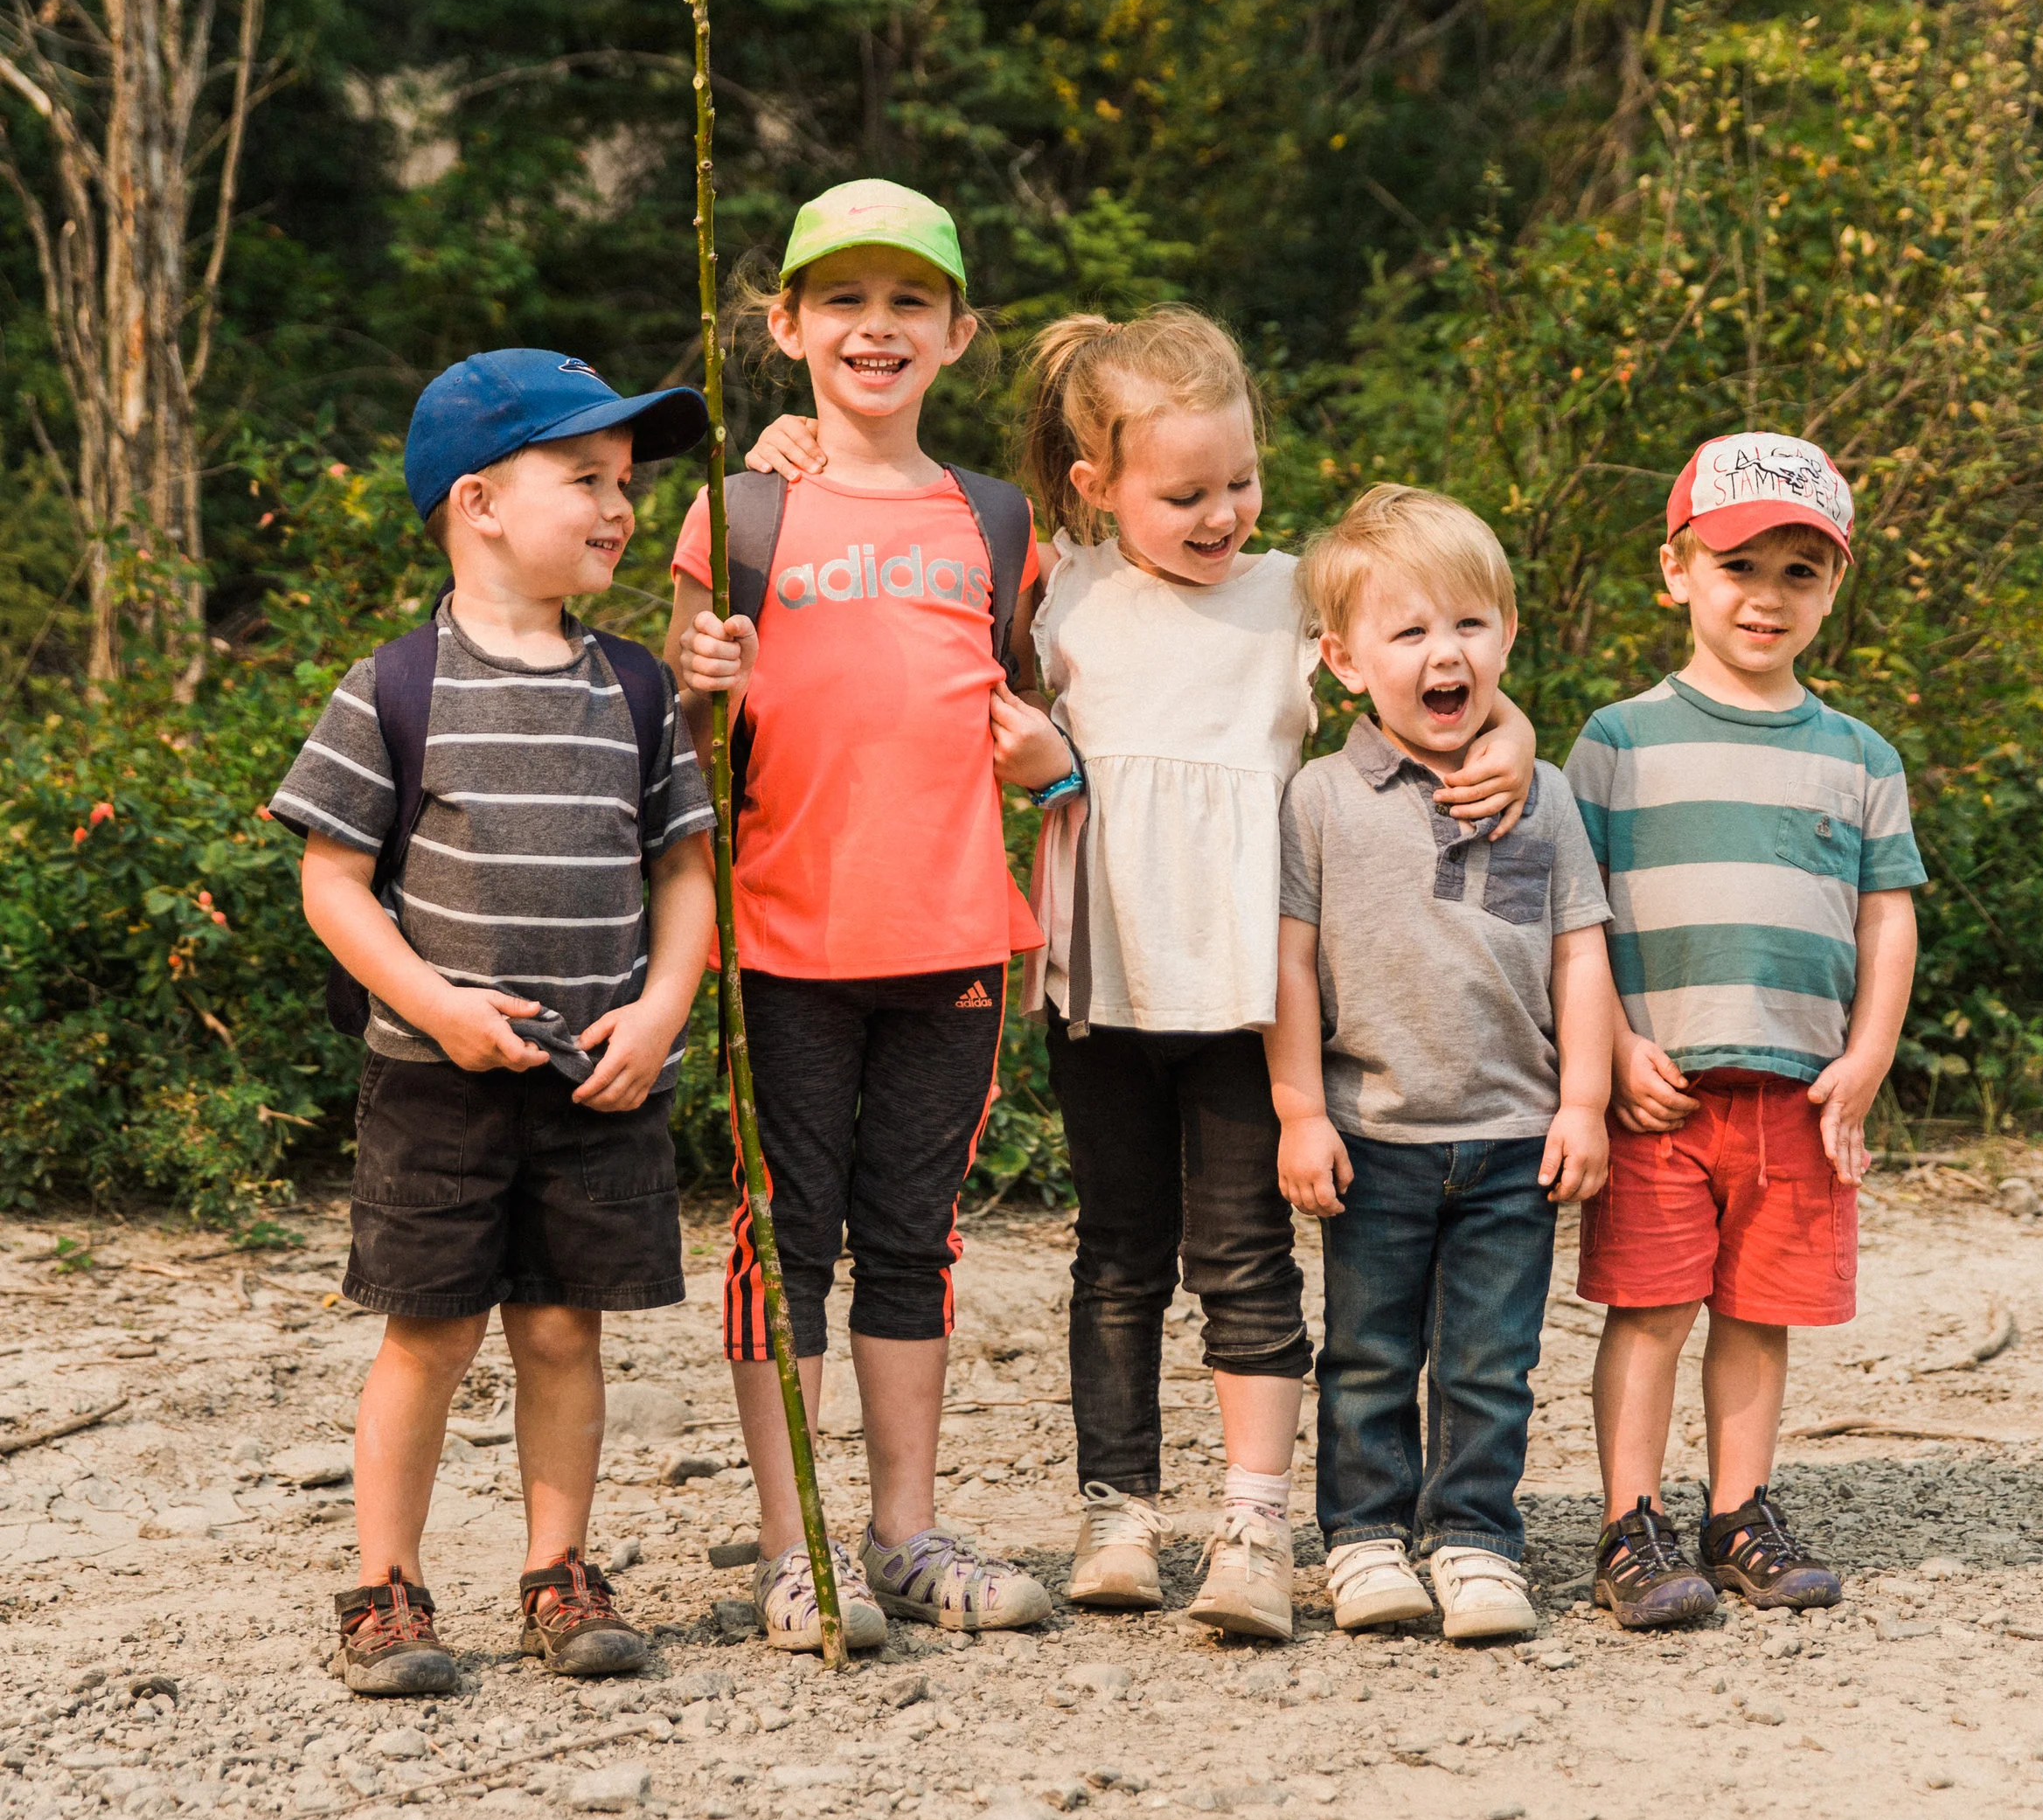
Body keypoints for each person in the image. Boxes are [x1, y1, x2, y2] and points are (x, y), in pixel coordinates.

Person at [1013, 316, 1539, 1643]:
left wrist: (1519, 732)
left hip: (1251, 990)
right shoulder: (1056, 587)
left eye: (1238, 481)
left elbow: (1429, 666)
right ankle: (1119, 1505)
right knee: (1119, 1257)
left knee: (1245, 1259)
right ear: (1096, 484)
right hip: (1105, 986)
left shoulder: (1293, 590)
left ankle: (1255, 1519)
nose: (1222, 513)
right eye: (1184, 494)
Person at [278, 348, 739, 1696]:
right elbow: (331, 880)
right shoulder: (396, 684)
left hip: (600, 1078)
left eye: (627, 483)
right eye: (586, 478)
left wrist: (663, 1010)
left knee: (560, 1327)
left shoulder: (639, 691)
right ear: (478, 500)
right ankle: (385, 1585)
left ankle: (559, 1572)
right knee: (428, 1326)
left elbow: (686, 872)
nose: (621, 506)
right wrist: (433, 1001)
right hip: (437, 1084)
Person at [669, 179, 1056, 1649]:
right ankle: (795, 1546)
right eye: (843, 299)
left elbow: (1030, 700)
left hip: (955, 938)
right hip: (778, 943)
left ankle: (903, 1531)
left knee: (916, 1235)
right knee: (785, 1236)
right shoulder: (740, 505)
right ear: (786, 325)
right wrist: (695, 669)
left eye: (909, 302)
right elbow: (689, 727)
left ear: (960, 334)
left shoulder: (997, 517)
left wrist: (1051, 754)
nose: (875, 327)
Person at [1569, 432, 1924, 1630]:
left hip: (1798, 1089)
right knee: (1653, 1307)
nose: (1766, 596)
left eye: (1798, 571)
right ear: (1676, 570)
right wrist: (1613, 1046)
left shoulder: (1860, 756)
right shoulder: (1618, 741)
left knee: (1758, 1312)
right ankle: (1631, 1520)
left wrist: (1867, 1056)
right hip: (1659, 1084)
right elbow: (1577, 914)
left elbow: (1886, 920)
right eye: (1738, 565)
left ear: (1834, 586)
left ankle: (1740, 1511)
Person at [1271, 483, 1614, 1643]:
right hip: (1376, 1129)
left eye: (1468, 624)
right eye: (1408, 631)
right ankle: (1365, 1538)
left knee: (1489, 1360)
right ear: (1344, 657)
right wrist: (1298, 1110)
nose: (1442, 652)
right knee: (1366, 1352)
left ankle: (1474, 1536)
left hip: (1516, 1133)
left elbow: (1579, 953)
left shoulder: (1547, 791)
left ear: (1506, 638)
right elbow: (1292, 968)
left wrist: (1585, 1099)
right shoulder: (1321, 799)